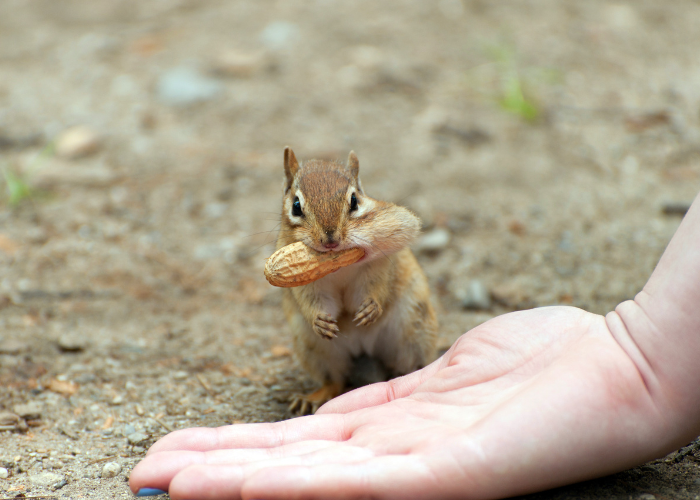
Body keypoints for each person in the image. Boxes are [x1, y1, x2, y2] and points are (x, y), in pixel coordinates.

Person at [129, 192, 700, 500]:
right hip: (334, 336)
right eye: (305, 218)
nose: (326, 239)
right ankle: (330, 380)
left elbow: (392, 267)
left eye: (347, 211)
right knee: (308, 324)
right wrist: (643, 357)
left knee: (405, 305)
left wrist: (646, 364)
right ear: (289, 200)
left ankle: (410, 367)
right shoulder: (291, 242)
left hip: (385, 323)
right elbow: (302, 296)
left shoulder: (376, 234)